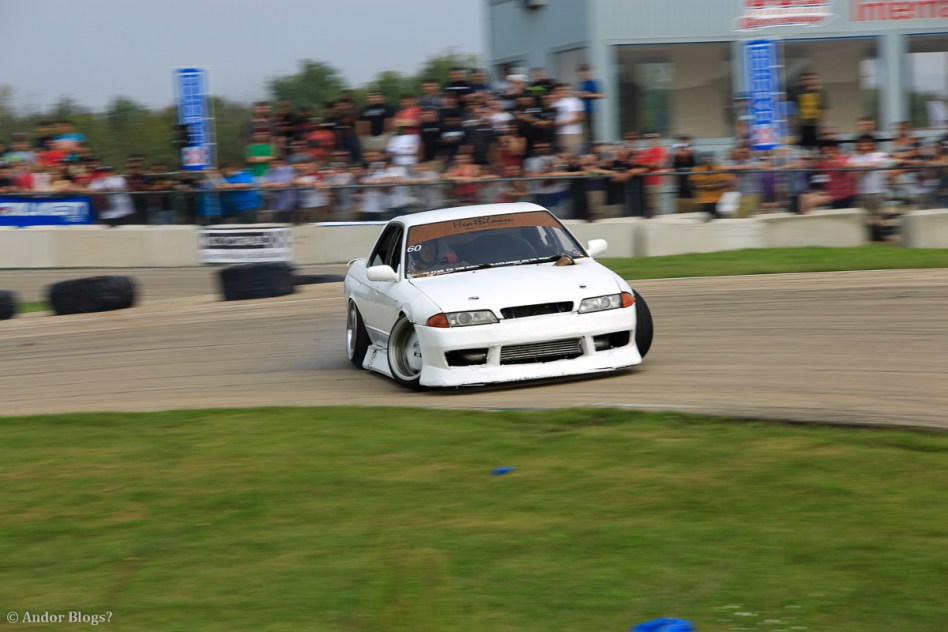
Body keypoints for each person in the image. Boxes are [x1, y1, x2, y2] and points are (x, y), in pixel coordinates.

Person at [794, 72, 830, 150]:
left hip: (816, 125)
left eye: (811, 79)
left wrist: (822, 123)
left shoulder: (820, 92)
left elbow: (825, 108)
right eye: (805, 79)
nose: (808, 81)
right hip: (803, 125)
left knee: (817, 147)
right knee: (804, 148)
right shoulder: (798, 92)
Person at [575, 64, 603, 148]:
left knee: (591, 132)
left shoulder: (593, 83)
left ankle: (593, 148)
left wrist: (586, 95)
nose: (583, 75)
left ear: (588, 73)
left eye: (585, 72)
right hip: (581, 111)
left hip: (591, 110)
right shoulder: (579, 84)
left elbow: (601, 95)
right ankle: (586, 148)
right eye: (581, 73)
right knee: (583, 132)